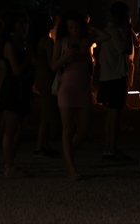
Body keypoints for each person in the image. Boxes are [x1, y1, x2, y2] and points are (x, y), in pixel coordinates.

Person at [51, 10, 92, 180]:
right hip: (67, 87)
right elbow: (53, 66)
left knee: (82, 131)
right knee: (68, 128)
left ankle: (67, 155)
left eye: (76, 27)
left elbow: (105, 36)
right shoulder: (62, 41)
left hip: (83, 87)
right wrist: (66, 57)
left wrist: (90, 29)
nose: (74, 31)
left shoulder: (86, 40)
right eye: (70, 27)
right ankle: (71, 167)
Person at [92, 1, 134, 162]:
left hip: (109, 75)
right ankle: (112, 149)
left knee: (111, 113)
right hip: (115, 76)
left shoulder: (109, 31)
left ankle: (109, 148)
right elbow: (128, 49)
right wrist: (128, 30)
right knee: (115, 114)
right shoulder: (115, 32)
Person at [0, 12, 32, 177]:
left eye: (25, 23)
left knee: (20, 129)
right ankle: (9, 165)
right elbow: (16, 70)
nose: (24, 26)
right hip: (13, 86)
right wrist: (29, 57)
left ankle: (10, 162)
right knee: (11, 128)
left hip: (22, 86)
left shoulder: (21, 43)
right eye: (21, 23)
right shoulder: (10, 45)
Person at [31, 12, 59, 159]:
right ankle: (40, 146)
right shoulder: (48, 42)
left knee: (45, 113)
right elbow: (51, 63)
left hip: (41, 77)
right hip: (48, 78)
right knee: (47, 115)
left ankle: (43, 144)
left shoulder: (36, 41)